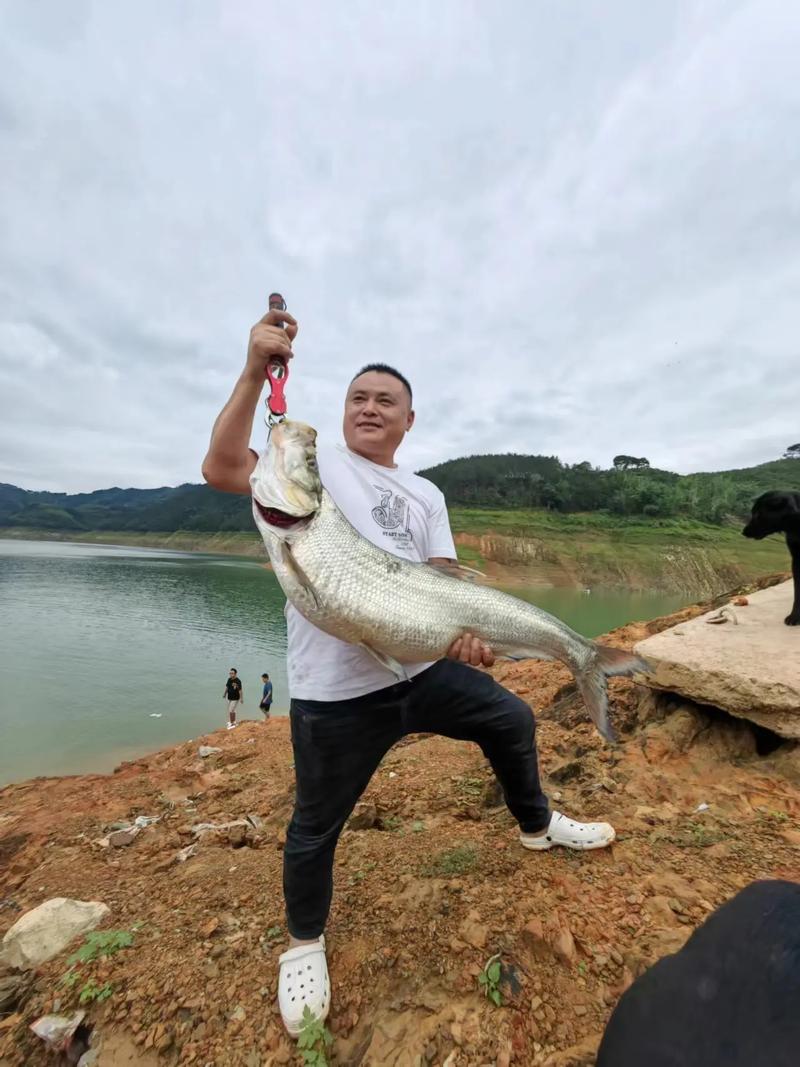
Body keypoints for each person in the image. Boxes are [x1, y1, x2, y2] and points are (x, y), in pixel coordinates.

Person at [202, 307, 615, 1037]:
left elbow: (438, 584)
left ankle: (536, 822)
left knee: (512, 718)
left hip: (419, 670)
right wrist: (249, 371)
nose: (368, 407)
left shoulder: (427, 495)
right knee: (314, 826)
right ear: (343, 411)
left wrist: (467, 637)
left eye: (383, 400)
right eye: (357, 397)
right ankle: (304, 942)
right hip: (336, 694)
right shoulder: (315, 469)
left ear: (409, 419)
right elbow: (223, 467)